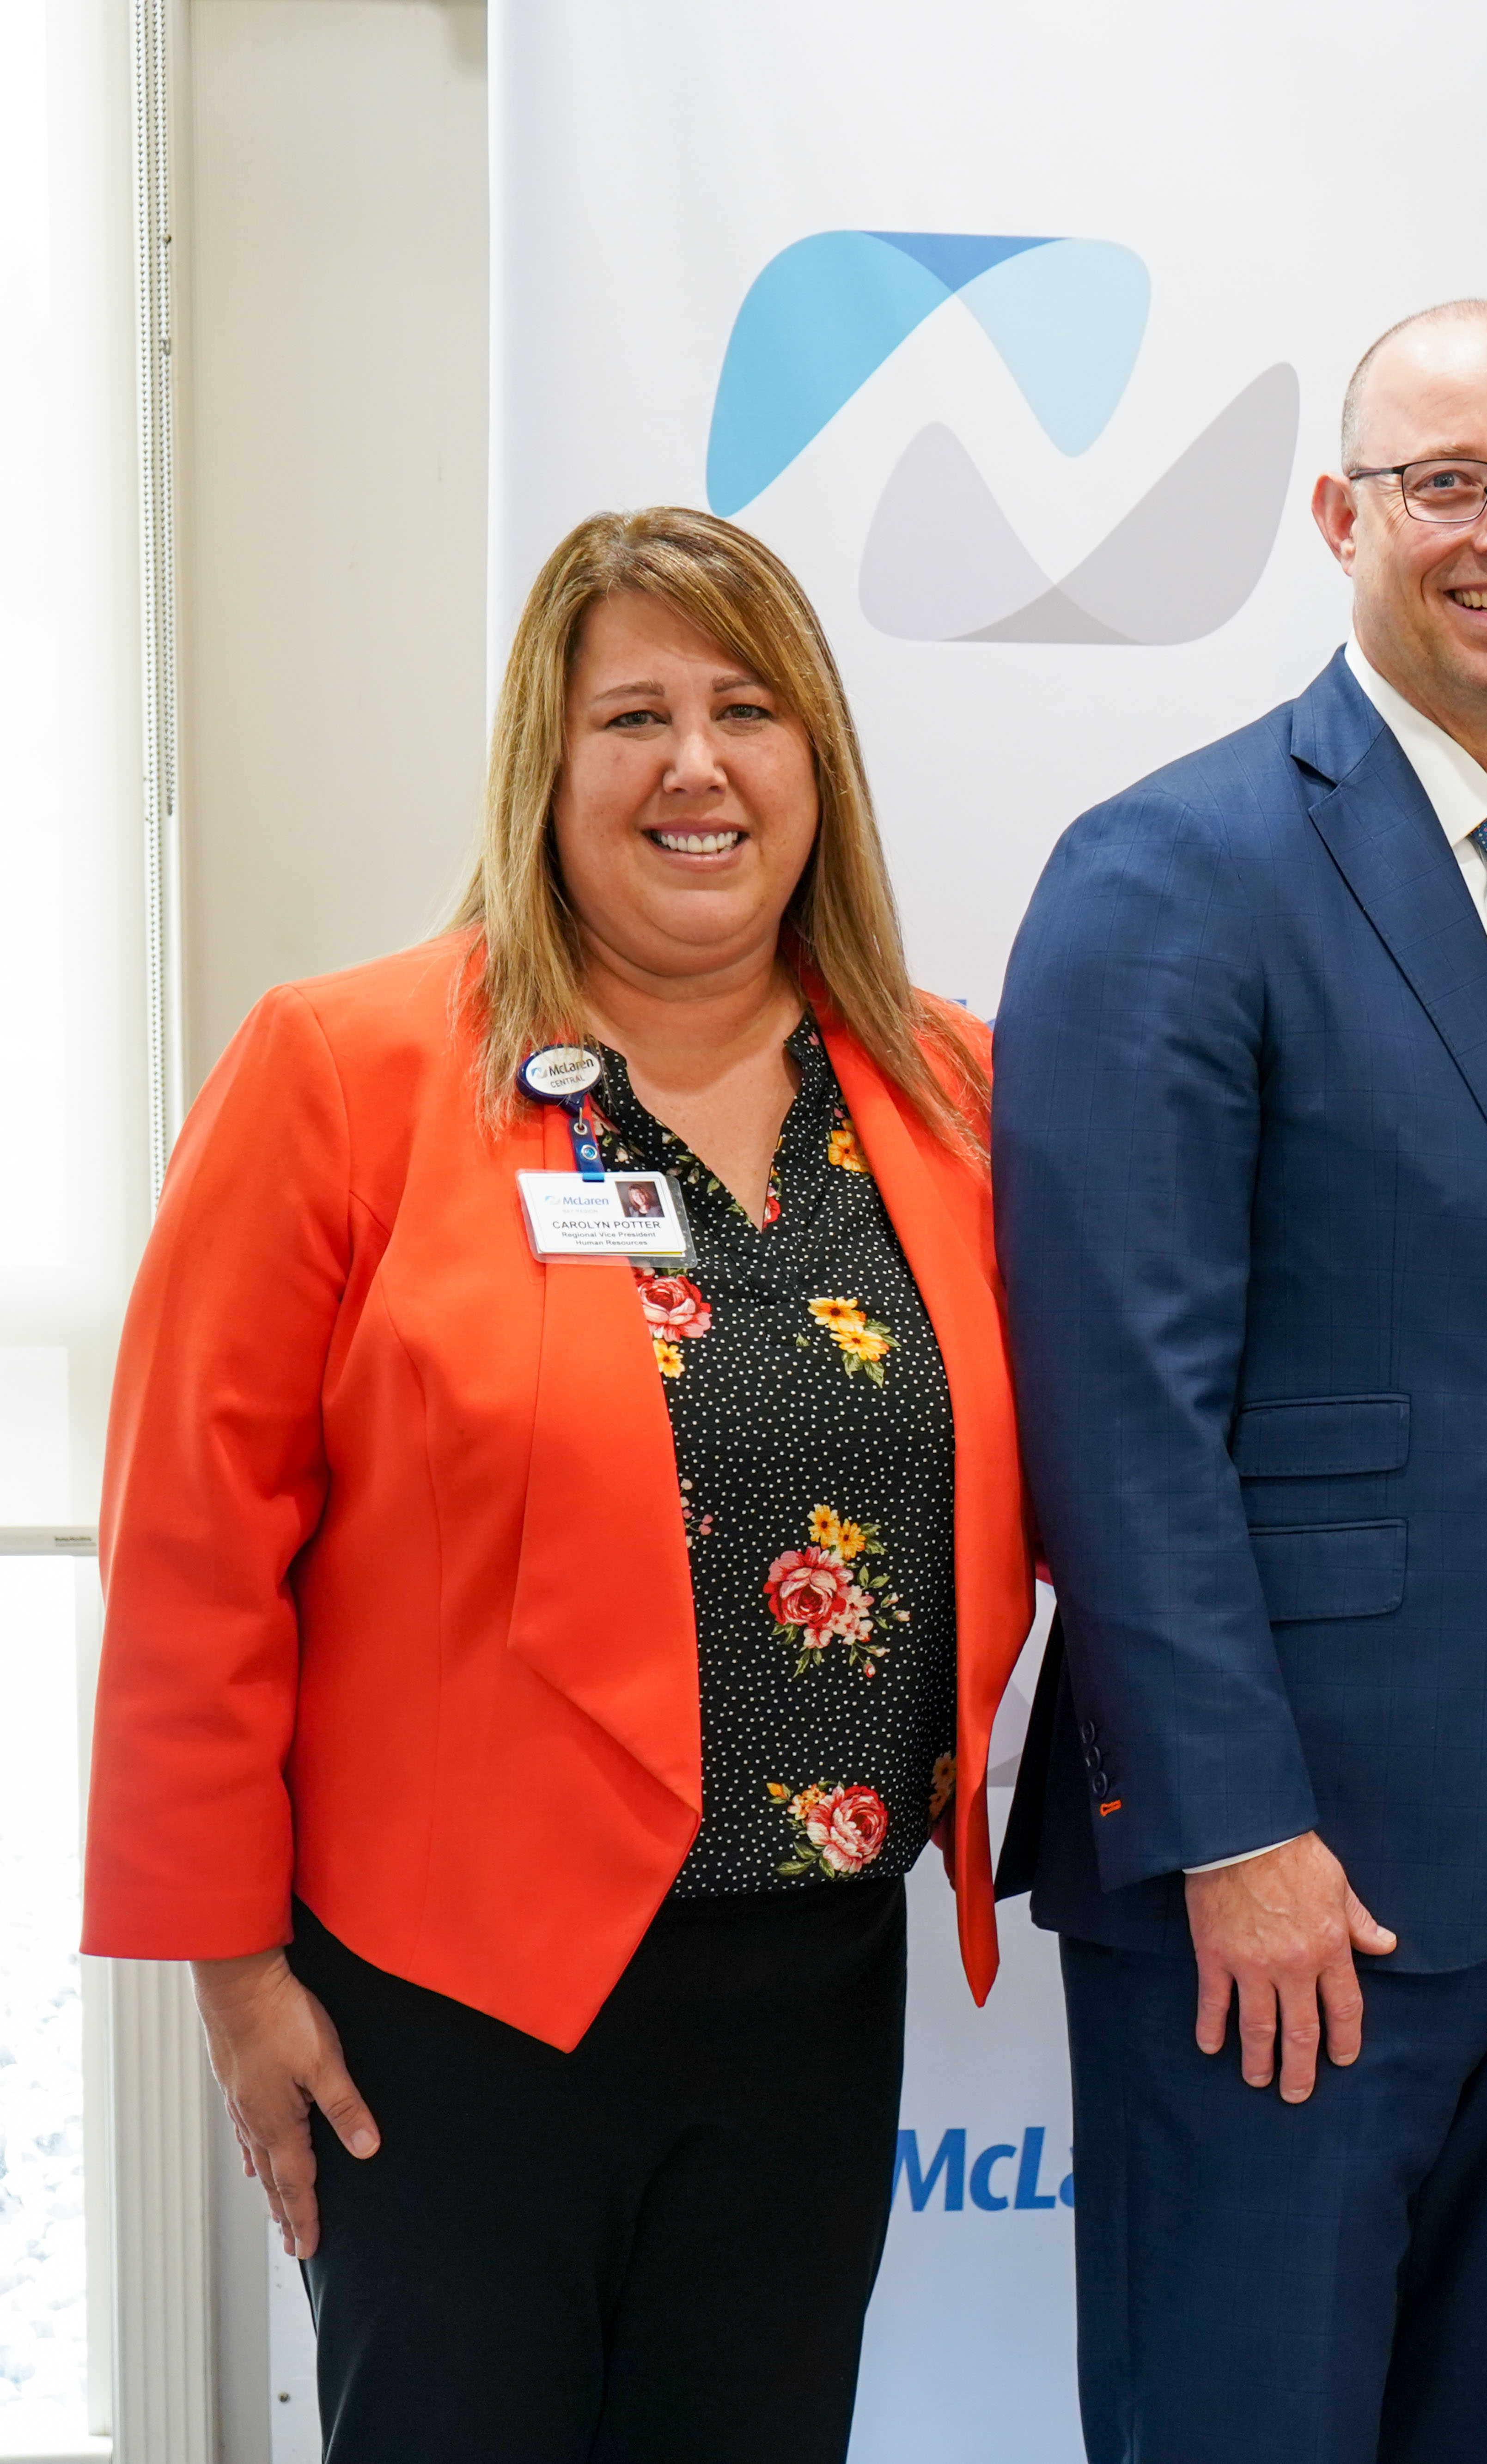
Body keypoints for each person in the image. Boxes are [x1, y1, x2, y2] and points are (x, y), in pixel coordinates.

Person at [80, 507, 1034, 2461]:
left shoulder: (953, 1094)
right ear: (546, 761)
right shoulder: (342, 1072)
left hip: (812, 1985)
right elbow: (193, 1549)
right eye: (635, 715)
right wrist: (233, 1975)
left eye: (748, 707)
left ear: (818, 766)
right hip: (450, 2009)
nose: (697, 763)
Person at [993, 300, 1487, 2464]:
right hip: (1278, 1886)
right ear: (1338, 517)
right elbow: (1120, 1407)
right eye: (1444, 483)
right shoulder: (1173, 870)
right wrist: (1234, 1825)